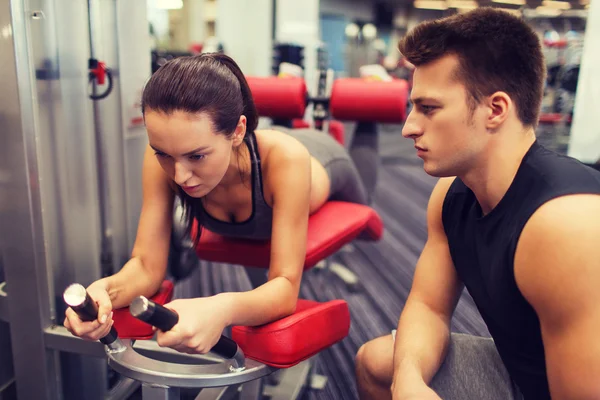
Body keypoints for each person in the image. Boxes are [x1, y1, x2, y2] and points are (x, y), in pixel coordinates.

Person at [355, 7, 600, 400]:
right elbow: (429, 306)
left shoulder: (564, 224)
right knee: (378, 363)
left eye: (429, 108)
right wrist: (410, 381)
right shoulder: (452, 195)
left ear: (495, 110)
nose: (408, 127)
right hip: (524, 370)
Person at [63, 53, 371, 355]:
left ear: (237, 131)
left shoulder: (287, 160)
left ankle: (369, 120)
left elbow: (285, 286)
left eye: (196, 156)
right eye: (164, 154)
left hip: (324, 159)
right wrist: (104, 290)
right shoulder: (165, 155)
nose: (180, 175)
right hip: (247, 152)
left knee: (368, 209)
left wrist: (220, 308)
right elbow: (147, 264)